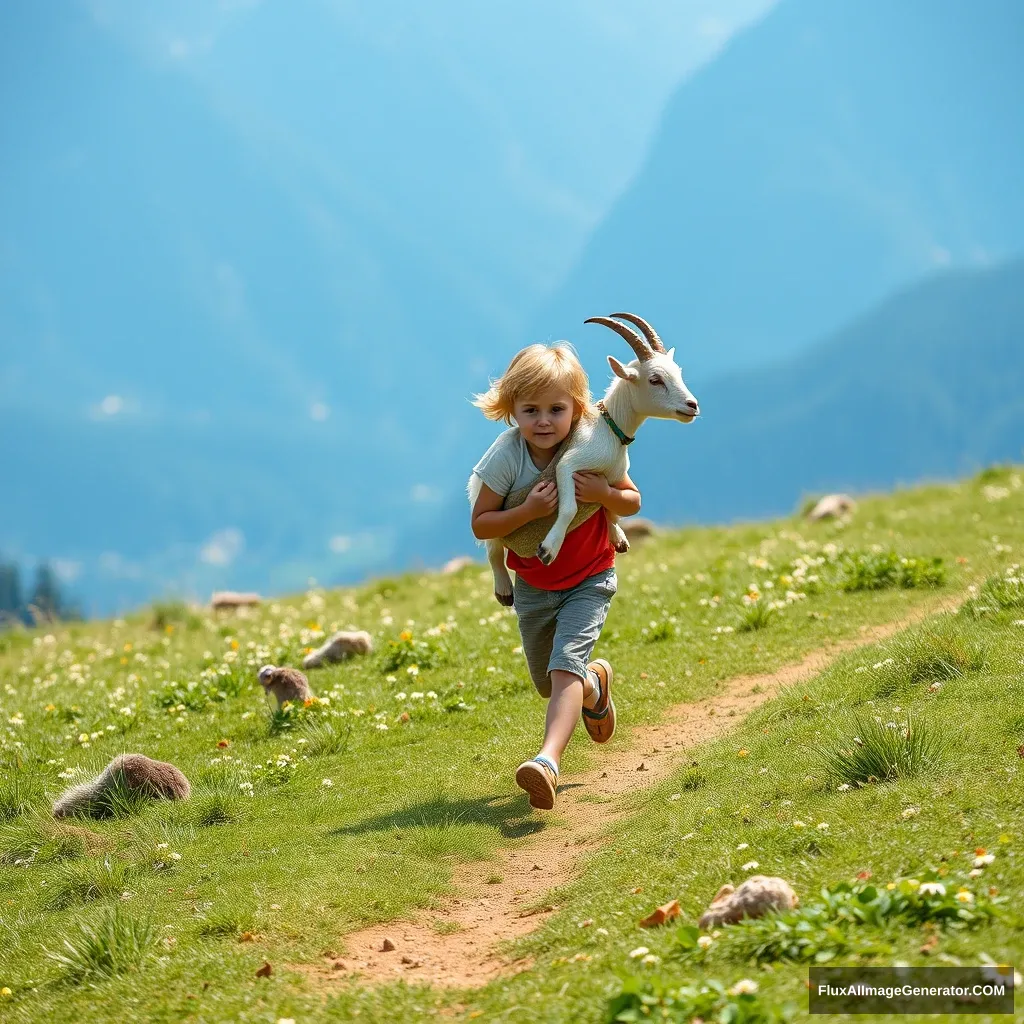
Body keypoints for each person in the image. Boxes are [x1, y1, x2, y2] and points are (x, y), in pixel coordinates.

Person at [469, 342, 641, 810]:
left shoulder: (592, 444)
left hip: (590, 578)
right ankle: (594, 685)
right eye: (530, 410)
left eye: (556, 409)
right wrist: (527, 510)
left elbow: (632, 501)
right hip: (534, 587)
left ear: (577, 408)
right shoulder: (504, 459)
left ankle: (547, 762)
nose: (543, 421)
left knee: (563, 667)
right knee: (550, 682)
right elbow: (481, 524)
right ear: (510, 410)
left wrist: (605, 492)